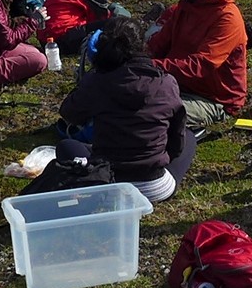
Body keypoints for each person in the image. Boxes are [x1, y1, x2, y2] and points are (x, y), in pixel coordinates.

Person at [42, 17, 196, 201]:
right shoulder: (166, 83)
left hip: (107, 181)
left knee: (67, 147)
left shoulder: (98, 81)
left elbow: (69, 113)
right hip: (154, 185)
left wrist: (89, 80)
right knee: (189, 137)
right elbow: (176, 140)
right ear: (142, 45)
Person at [146, 0, 248, 126]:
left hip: (212, 99)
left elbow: (201, 65)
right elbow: (160, 42)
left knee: (150, 113)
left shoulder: (227, 17)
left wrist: (148, 66)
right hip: (177, 83)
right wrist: (132, 59)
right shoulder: (188, 3)